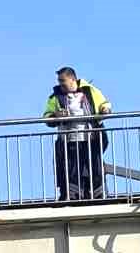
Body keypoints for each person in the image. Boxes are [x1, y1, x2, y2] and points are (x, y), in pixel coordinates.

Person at [43, 68, 112, 202]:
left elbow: (104, 104)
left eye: (63, 81)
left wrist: (105, 109)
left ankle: (98, 195)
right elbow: (47, 117)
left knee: (95, 168)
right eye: (59, 81)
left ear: (72, 79)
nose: (60, 84)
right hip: (69, 140)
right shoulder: (55, 97)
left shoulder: (90, 91)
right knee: (71, 170)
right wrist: (55, 115)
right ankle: (73, 196)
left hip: (91, 138)